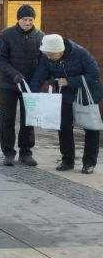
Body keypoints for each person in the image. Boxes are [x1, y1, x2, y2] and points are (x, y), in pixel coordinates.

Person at [30, 34, 101, 174]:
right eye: (46, 54)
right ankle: (67, 161)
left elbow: (94, 75)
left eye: (51, 55)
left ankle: (89, 162)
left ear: (60, 51)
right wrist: (31, 96)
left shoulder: (81, 53)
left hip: (86, 93)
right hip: (65, 94)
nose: (48, 57)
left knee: (91, 127)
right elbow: (39, 76)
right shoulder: (46, 56)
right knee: (64, 126)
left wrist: (69, 81)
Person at [0, 4, 44, 167]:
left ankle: (26, 152)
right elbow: (0, 60)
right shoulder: (6, 35)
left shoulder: (40, 37)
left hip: (30, 87)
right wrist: (14, 74)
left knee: (29, 119)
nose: (28, 23)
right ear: (18, 19)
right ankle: (8, 153)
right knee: (7, 119)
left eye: (30, 20)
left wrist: (39, 80)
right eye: (24, 20)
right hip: (8, 85)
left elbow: (44, 63)